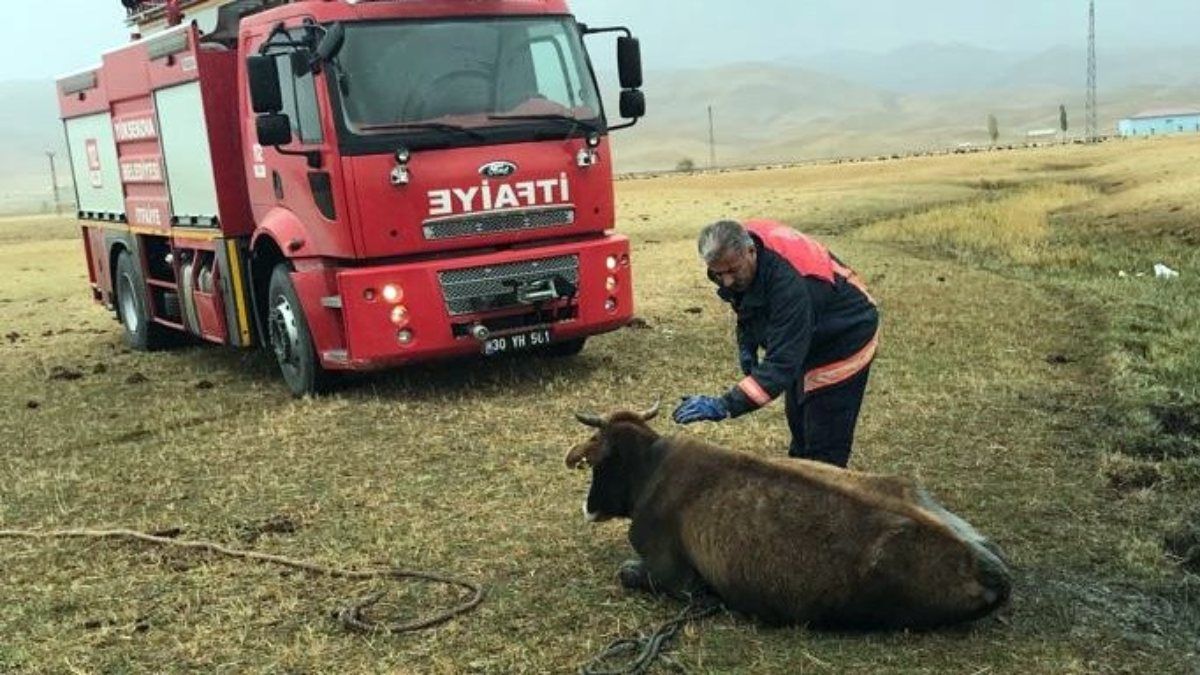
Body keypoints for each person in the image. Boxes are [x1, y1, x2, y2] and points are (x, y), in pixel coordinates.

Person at [671, 219, 879, 468]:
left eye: (732, 271)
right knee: (800, 425)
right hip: (808, 326)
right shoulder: (733, 250)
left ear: (751, 251)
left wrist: (725, 405)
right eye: (718, 274)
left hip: (845, 332)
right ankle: (801, 470)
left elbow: (782, 365)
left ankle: (823, 484)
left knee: (824, 443)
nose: (726, 281)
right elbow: (747, 300)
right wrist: (747, 339)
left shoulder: (791, 286)